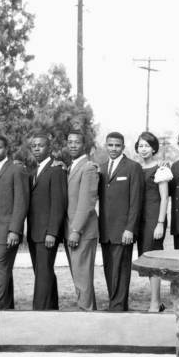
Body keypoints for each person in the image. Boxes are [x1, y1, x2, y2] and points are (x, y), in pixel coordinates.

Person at [99, 132, 144, 311]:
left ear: (123, 147)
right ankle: (115, 304)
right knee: (109, 268)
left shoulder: (133, 168)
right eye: (110, 145)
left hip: (123, 230)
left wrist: (130, 228)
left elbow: (136, 201)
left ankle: (118, 307)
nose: (113, 149)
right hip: (105, 229)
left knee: (122, 270)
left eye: (117, 145)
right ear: (106, 146)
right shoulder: (100, 168)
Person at [0, 134, 29, 310]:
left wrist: (15, 230)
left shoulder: (17, 170)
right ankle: (7, 311)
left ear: (6, 149)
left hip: (8, 231)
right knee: (2, 272)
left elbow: (21, 201)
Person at [27, 132, 67, 310]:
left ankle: (39, 311)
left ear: (49, 148)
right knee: (43, 273)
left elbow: (58, 203)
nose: (36, 148)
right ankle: (51, 308)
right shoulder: (34, 171)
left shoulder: (56, 170)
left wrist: (52, 232)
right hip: (34, 232)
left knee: (43, 273)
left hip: (47, 234)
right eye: (34, 146)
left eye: (40, 145)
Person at [135, 131, 172, 312]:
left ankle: (155, 303)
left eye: (147, 146)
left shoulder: (161, 169)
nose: (143, 149)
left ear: (154, 148)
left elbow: (164, 199)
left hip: (154, 219)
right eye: (141, 145)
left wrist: (160, 223)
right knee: (147, 259)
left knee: (154, 259)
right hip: (140, 220)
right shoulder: (135, 168)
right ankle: (156, 301)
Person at [65, 130, 99, 311]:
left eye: (76, 142)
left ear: (83, 145)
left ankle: (86, 313)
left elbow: (87, 203)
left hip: (82, 231)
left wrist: (76, 230)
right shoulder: (72, 166)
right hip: (72, 230)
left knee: (82, 276)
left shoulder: (88, 168)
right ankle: (88, 311)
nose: (72, 145)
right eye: (69, 142)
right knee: (80, 276)